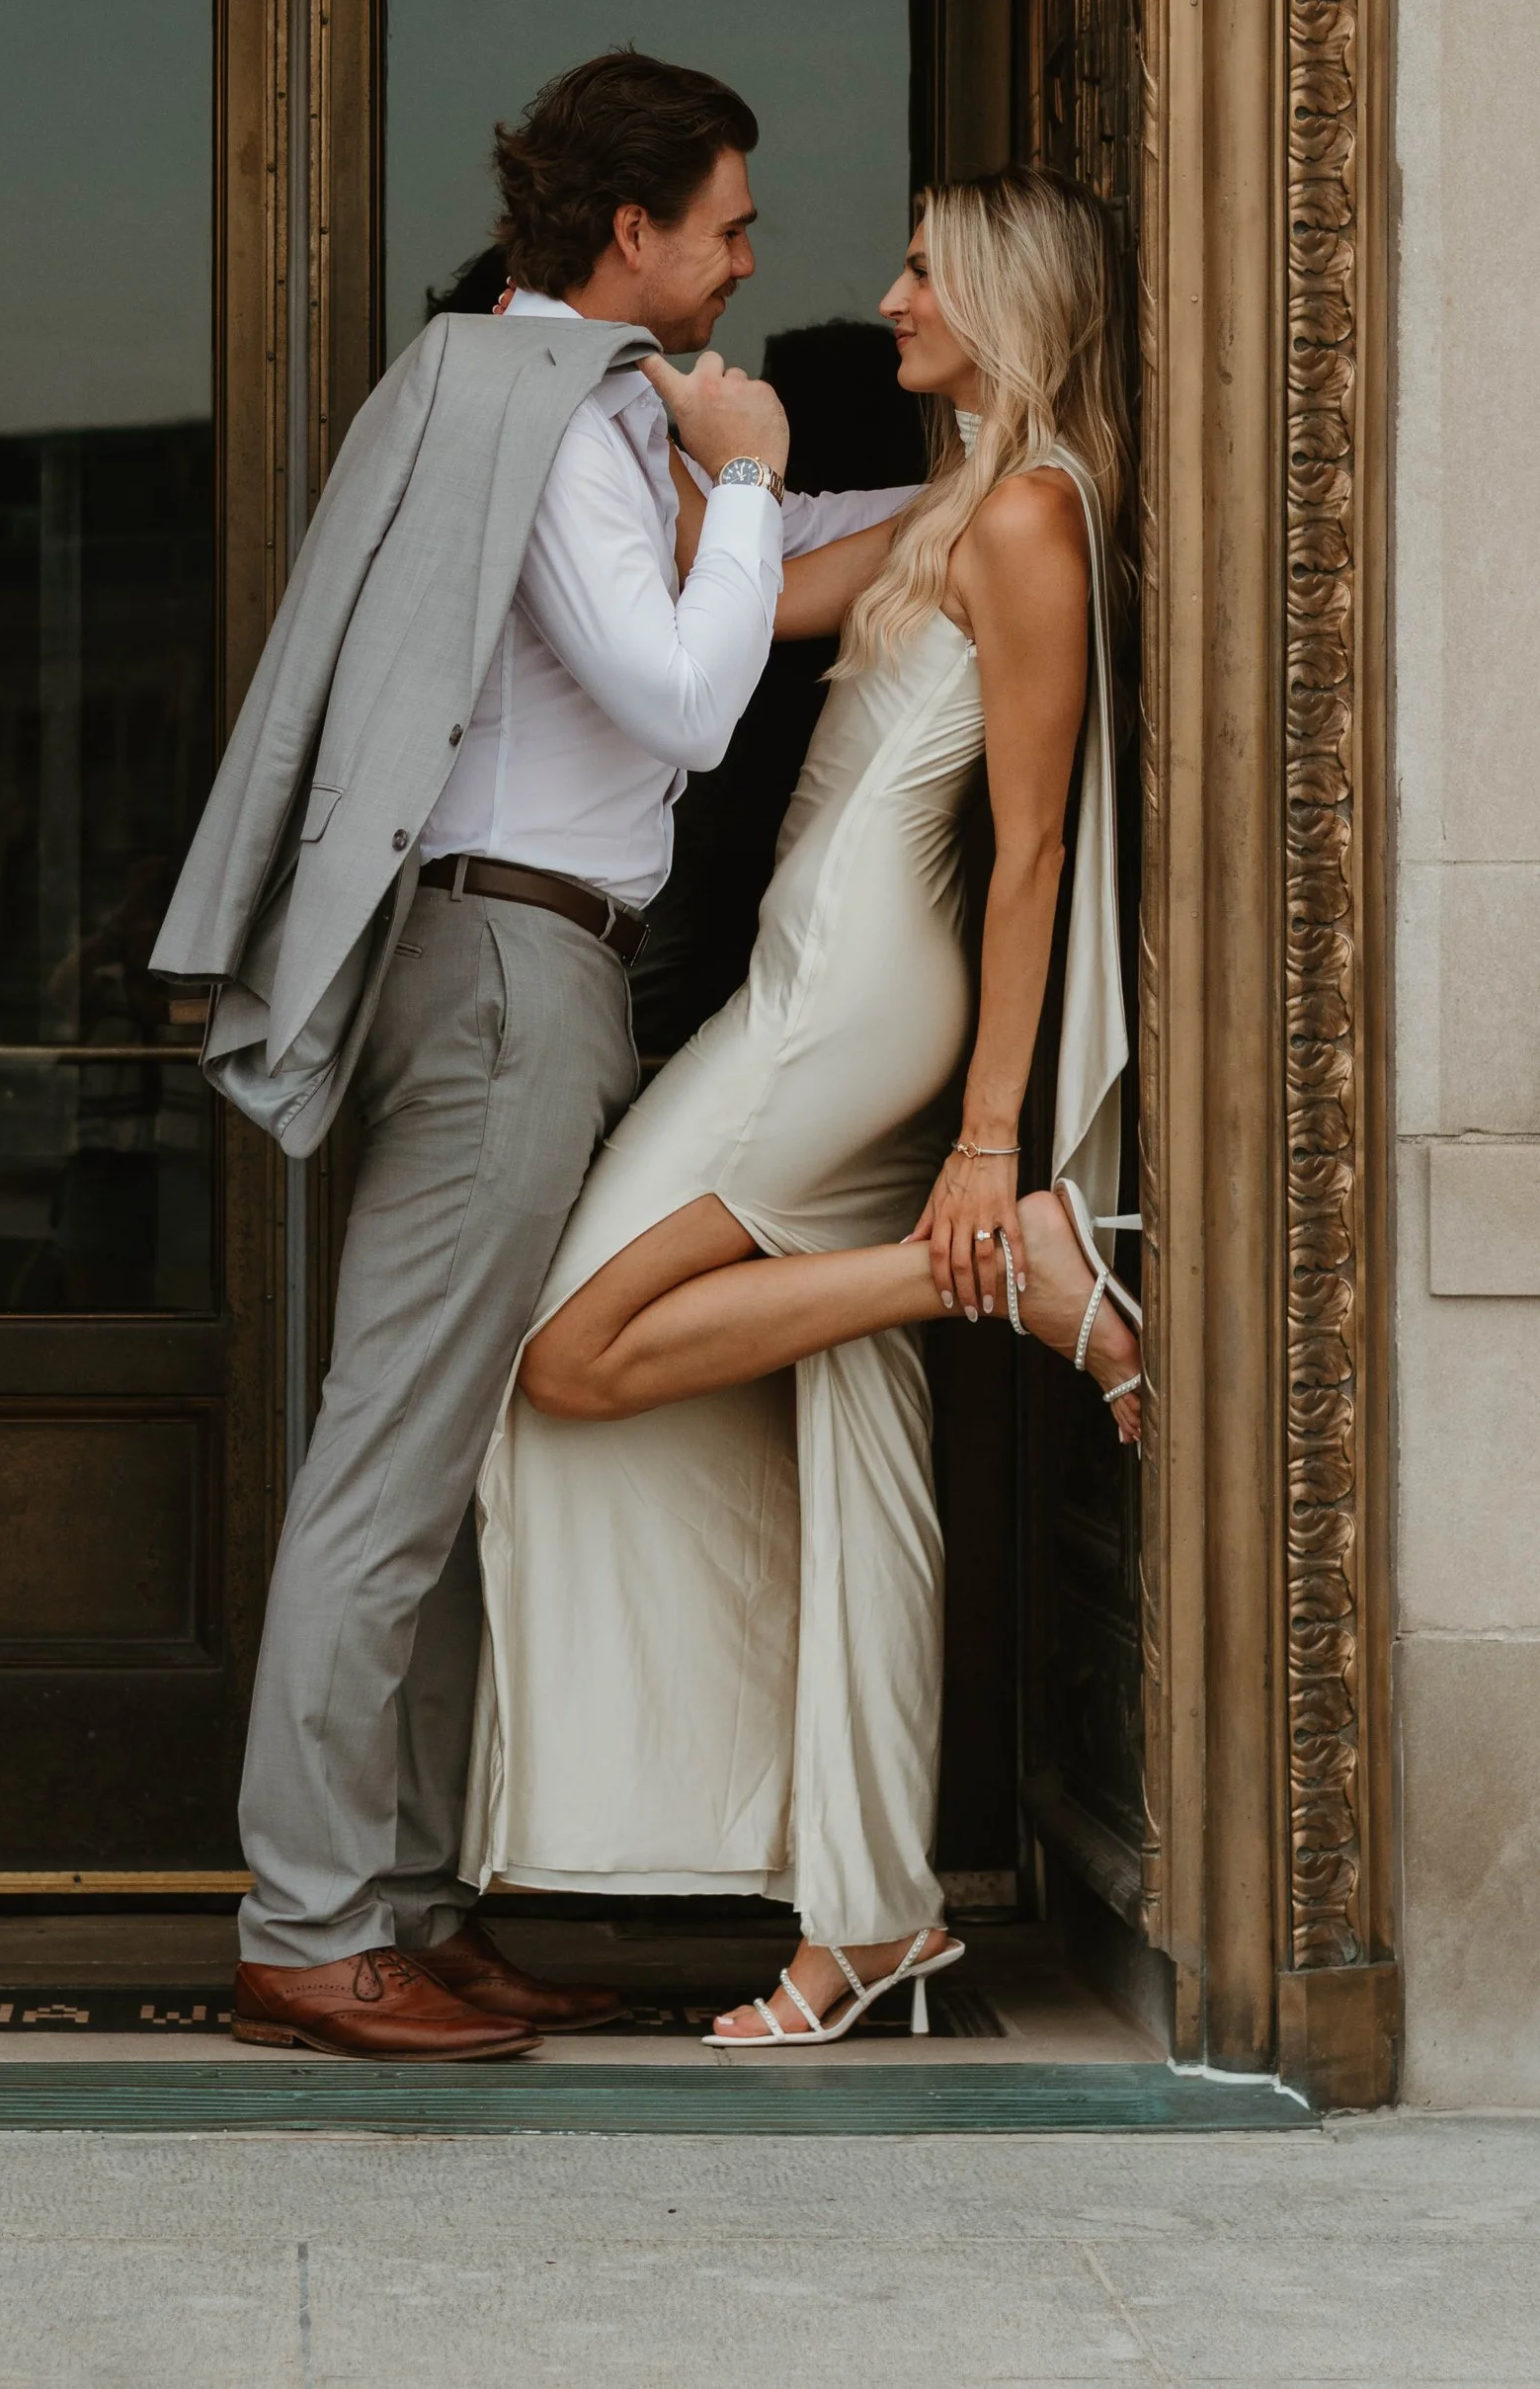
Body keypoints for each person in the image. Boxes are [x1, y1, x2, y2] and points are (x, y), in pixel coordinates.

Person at [152, 51, 912, 2060]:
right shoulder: (562, 413)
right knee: (393, 1454)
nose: (752, 260)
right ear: (630, 230)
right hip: (503, 973)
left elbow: (773, 584)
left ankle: (401, 1898)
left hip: (507, 963)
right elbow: (680, 695)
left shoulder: (574, 411)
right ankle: (313, 1926)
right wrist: (746, 474)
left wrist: (980, 481)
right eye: (730, 225)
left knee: (436, 1443)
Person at [462, 169, 1142, 2051]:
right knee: (839, 1422)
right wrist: (657, 396)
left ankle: (983, 1268)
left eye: (926, 266)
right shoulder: (960, 505)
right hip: (804, 990)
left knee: (571, 1354)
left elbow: (1031, 854)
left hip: (845, 1012)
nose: (890, 293)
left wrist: (994, 1143)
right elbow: (737, 608)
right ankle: (871, 1913)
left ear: (1004, 299)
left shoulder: (1025, 521)